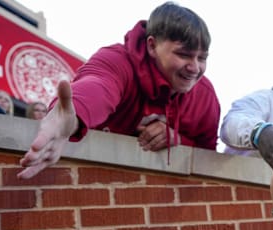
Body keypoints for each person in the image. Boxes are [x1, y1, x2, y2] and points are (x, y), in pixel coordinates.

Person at [17, 2, 221, 180]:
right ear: (152, 46)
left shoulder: (205, 95)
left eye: (202, 58)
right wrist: (73, 116)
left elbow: (207, 158)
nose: (195, 68)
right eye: (183, 54)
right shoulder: (117, 61)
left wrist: (178, 140)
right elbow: (98, 86)